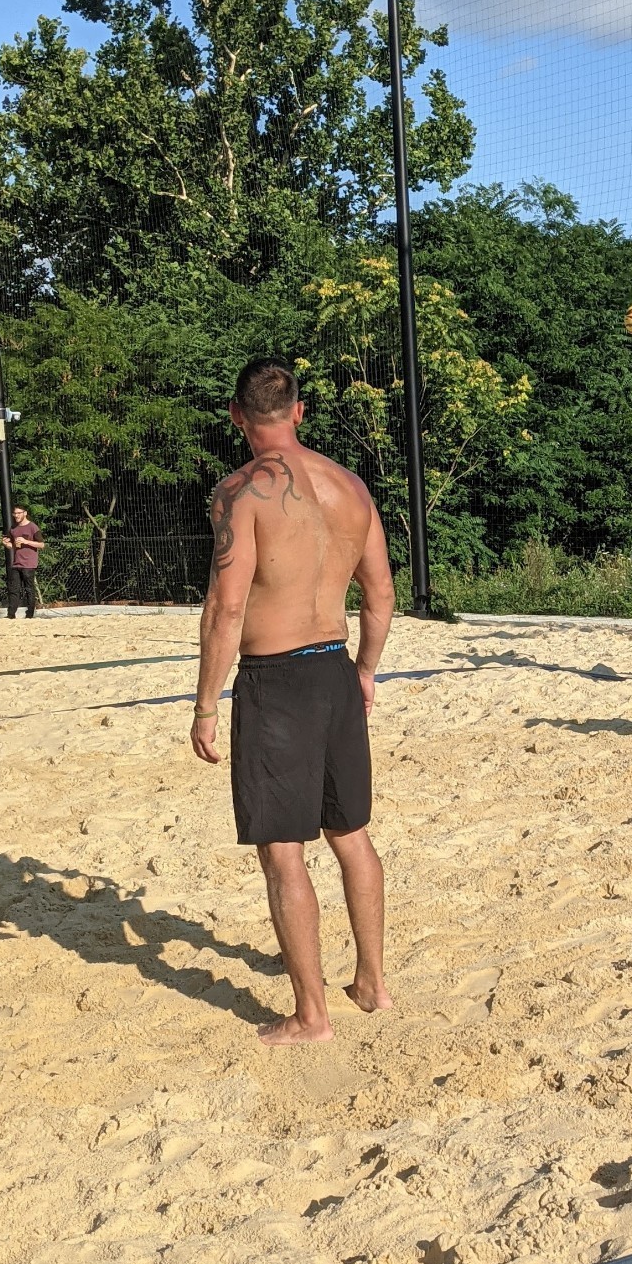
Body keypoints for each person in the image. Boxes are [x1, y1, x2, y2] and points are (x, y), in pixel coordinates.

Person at [190, 358, 397, 1045]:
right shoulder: (351, 487)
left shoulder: (239, 492)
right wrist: (365, 671)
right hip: (334, 669)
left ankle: (312, 1016)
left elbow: (227, 607)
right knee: (351, 836)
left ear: (237, 416)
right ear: (300, 411)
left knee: (284, 853)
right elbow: (381, 596)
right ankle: (372, 983)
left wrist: (206, 704)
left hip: (276, 681)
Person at [2, 505, 44, 618]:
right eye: (14, 513)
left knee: (29, 589)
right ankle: (11, 615)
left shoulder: (33, 527)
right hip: (16, 563)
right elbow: (13, 546)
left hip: (29, 564)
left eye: (18, 513)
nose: (16, 515)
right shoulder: (13, 528)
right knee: (13, 589)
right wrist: (6, 544)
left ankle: (29, 614)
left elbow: (41, 544)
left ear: (25, 513)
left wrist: (26, 541)